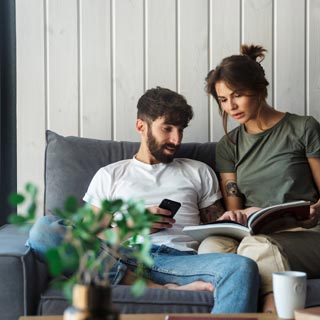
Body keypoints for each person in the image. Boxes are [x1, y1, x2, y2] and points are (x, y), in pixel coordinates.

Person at [28, 87, 260, 314]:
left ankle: (153, 282)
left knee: (241, 267)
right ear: (141, 126)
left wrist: (233, 218)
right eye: (167, 128)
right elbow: (89, 237)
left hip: (181, 261)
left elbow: (215, 227)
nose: (176, 139)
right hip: (124, 256)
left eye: (181, 130)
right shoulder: (110, 175)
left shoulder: (198, 171)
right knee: (44, 230)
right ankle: (154, 287)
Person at [201, 44, 320, 313]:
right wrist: (238, 216)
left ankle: (270, 310)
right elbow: (235, 210)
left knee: (258, 248)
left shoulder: (303, 128)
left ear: (260, 89)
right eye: (222, 99)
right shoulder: (228, 145)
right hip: (257, 233)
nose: (230, 106)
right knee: (212, 246)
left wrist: (315, 209)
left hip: (307, 233)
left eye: (238, 95)